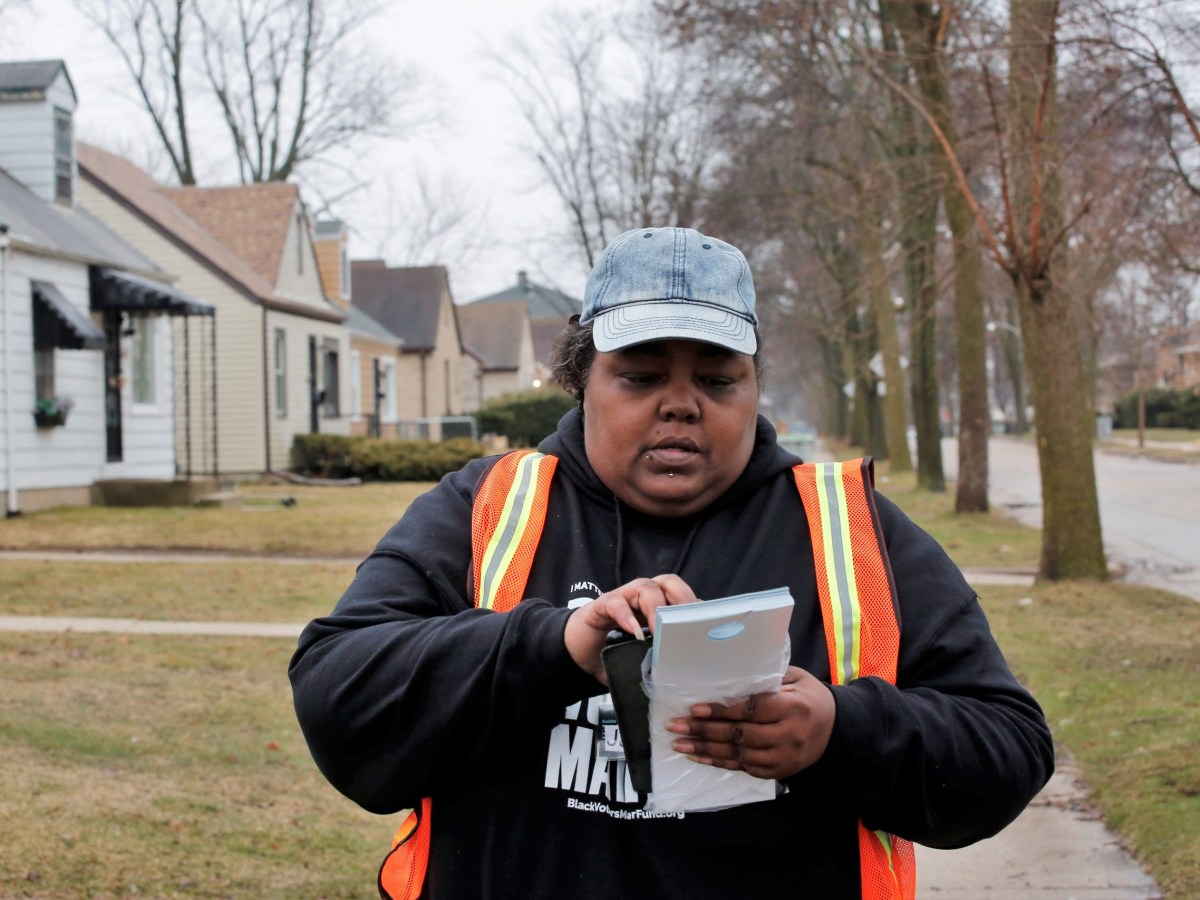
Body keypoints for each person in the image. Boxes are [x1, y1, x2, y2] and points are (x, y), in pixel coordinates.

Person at [289, 226, 1054, 899]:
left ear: (756, 387)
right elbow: (337, 692)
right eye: (642, 376)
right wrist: (551, 645)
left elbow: (1009, 747)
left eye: (717, 379)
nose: (681, 404)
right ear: (581, 379)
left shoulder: (849, 531)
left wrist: (841, 731)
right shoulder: (487, 508)